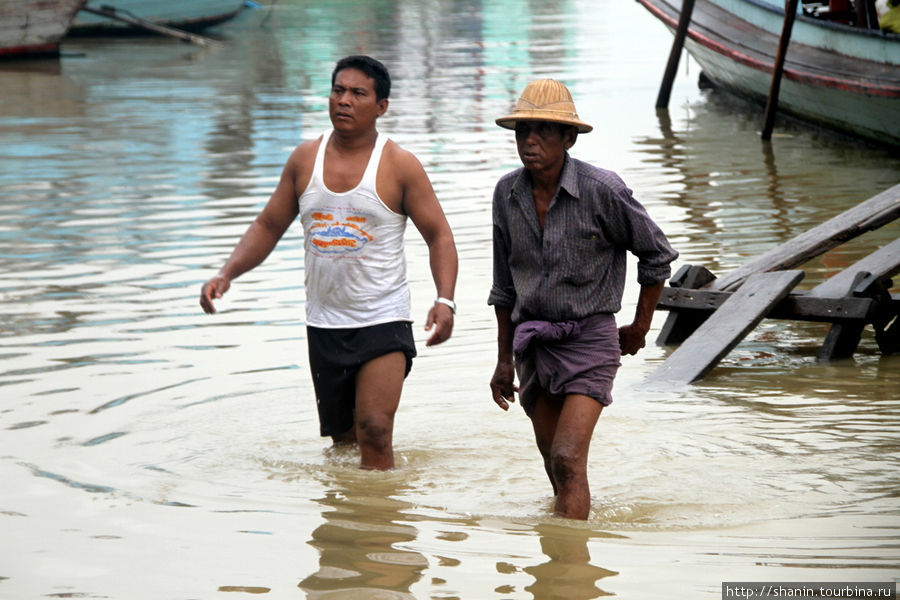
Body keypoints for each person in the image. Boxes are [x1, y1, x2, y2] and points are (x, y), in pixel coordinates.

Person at [200, 55, 458, 470]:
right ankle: (348, 526)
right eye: (338, 90)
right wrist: (226, 273)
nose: (345, 100)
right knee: (343, 446)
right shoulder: (305, 160)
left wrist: (445, 301)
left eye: (358, 93)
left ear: (381, 106)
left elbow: (439, 235)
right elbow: (268, 224)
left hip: (382, 320)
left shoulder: (399, 165)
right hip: (325, 325)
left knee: (374, 429)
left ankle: (381, 528)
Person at [487, 79, 677, 519]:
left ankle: (570, 573)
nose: (530, 141)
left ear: (568, 138)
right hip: (534, 344)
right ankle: (563, 564)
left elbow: (656, 255)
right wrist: (502, 360)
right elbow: (503, 287)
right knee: (555, 464)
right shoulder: (507, 194)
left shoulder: (601, 190)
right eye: (522, 131)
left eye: (543, 131)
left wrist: (639, 327)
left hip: (590, 339)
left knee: (569, 457)